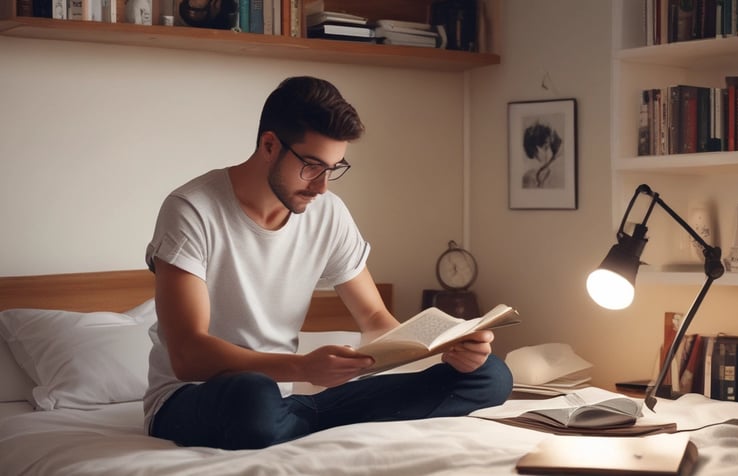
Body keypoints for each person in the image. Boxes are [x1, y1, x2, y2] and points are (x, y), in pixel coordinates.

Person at [143, 76, 513, 450]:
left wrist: (444, 348)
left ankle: (300, 420)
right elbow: (187, 355)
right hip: (193, 398)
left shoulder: (328, 213)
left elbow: (373, 320)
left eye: (334, 168)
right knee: (252, 396)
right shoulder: (192, 210)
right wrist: (302, 368)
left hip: (283, 401)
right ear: (269, 145)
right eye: (312, 166)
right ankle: (306, 419)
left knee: (491, 376)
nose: (322, 187)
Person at [522, 121, 564, 189]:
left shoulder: (557, 172)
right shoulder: (528, 176)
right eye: (545, 147)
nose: (549, 151)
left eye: (549, 146)